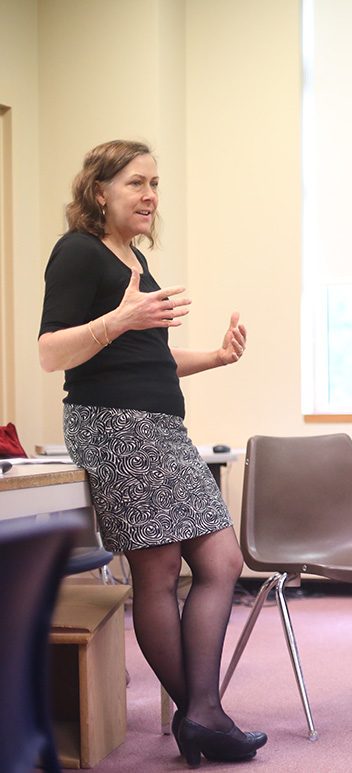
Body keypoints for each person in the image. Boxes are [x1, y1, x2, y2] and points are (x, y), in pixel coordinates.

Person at [38, 140, 266, 767]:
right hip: (114, 426)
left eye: (155, 184)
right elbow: (51, 351)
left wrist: (217, 357)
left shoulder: (133, 258)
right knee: (160, 572)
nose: (149, 196)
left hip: (159, 427)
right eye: (136, 183)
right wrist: (117, 320)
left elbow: (151, 357)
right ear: (99, 191)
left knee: (221, 558)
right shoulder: (78, 253)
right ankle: (205, 714)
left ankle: (199, 714)